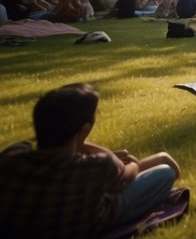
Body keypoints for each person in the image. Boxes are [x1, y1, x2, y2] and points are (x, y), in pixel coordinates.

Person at [0, 83, 181, 238]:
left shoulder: (11, 157)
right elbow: (127, 176)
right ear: (85, 129)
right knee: (165, 172)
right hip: (87, 225)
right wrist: (130, 162)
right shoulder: (95, 166)